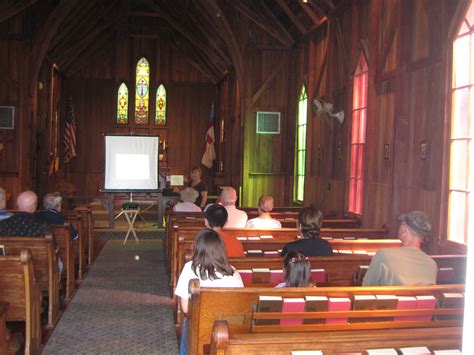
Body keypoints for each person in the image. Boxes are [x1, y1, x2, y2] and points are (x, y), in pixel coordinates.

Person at [174, 229, 243, 355]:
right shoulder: (233, 271)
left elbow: (185, 308)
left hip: (200, 329)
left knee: (188, 322)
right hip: (229, 329)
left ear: (198, 248)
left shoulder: (190, 268)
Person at [362, 211, 437, 286]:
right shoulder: (432, 264)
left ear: (404, 229)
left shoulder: (384, 255)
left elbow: (367, 287)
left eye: (402, 224)